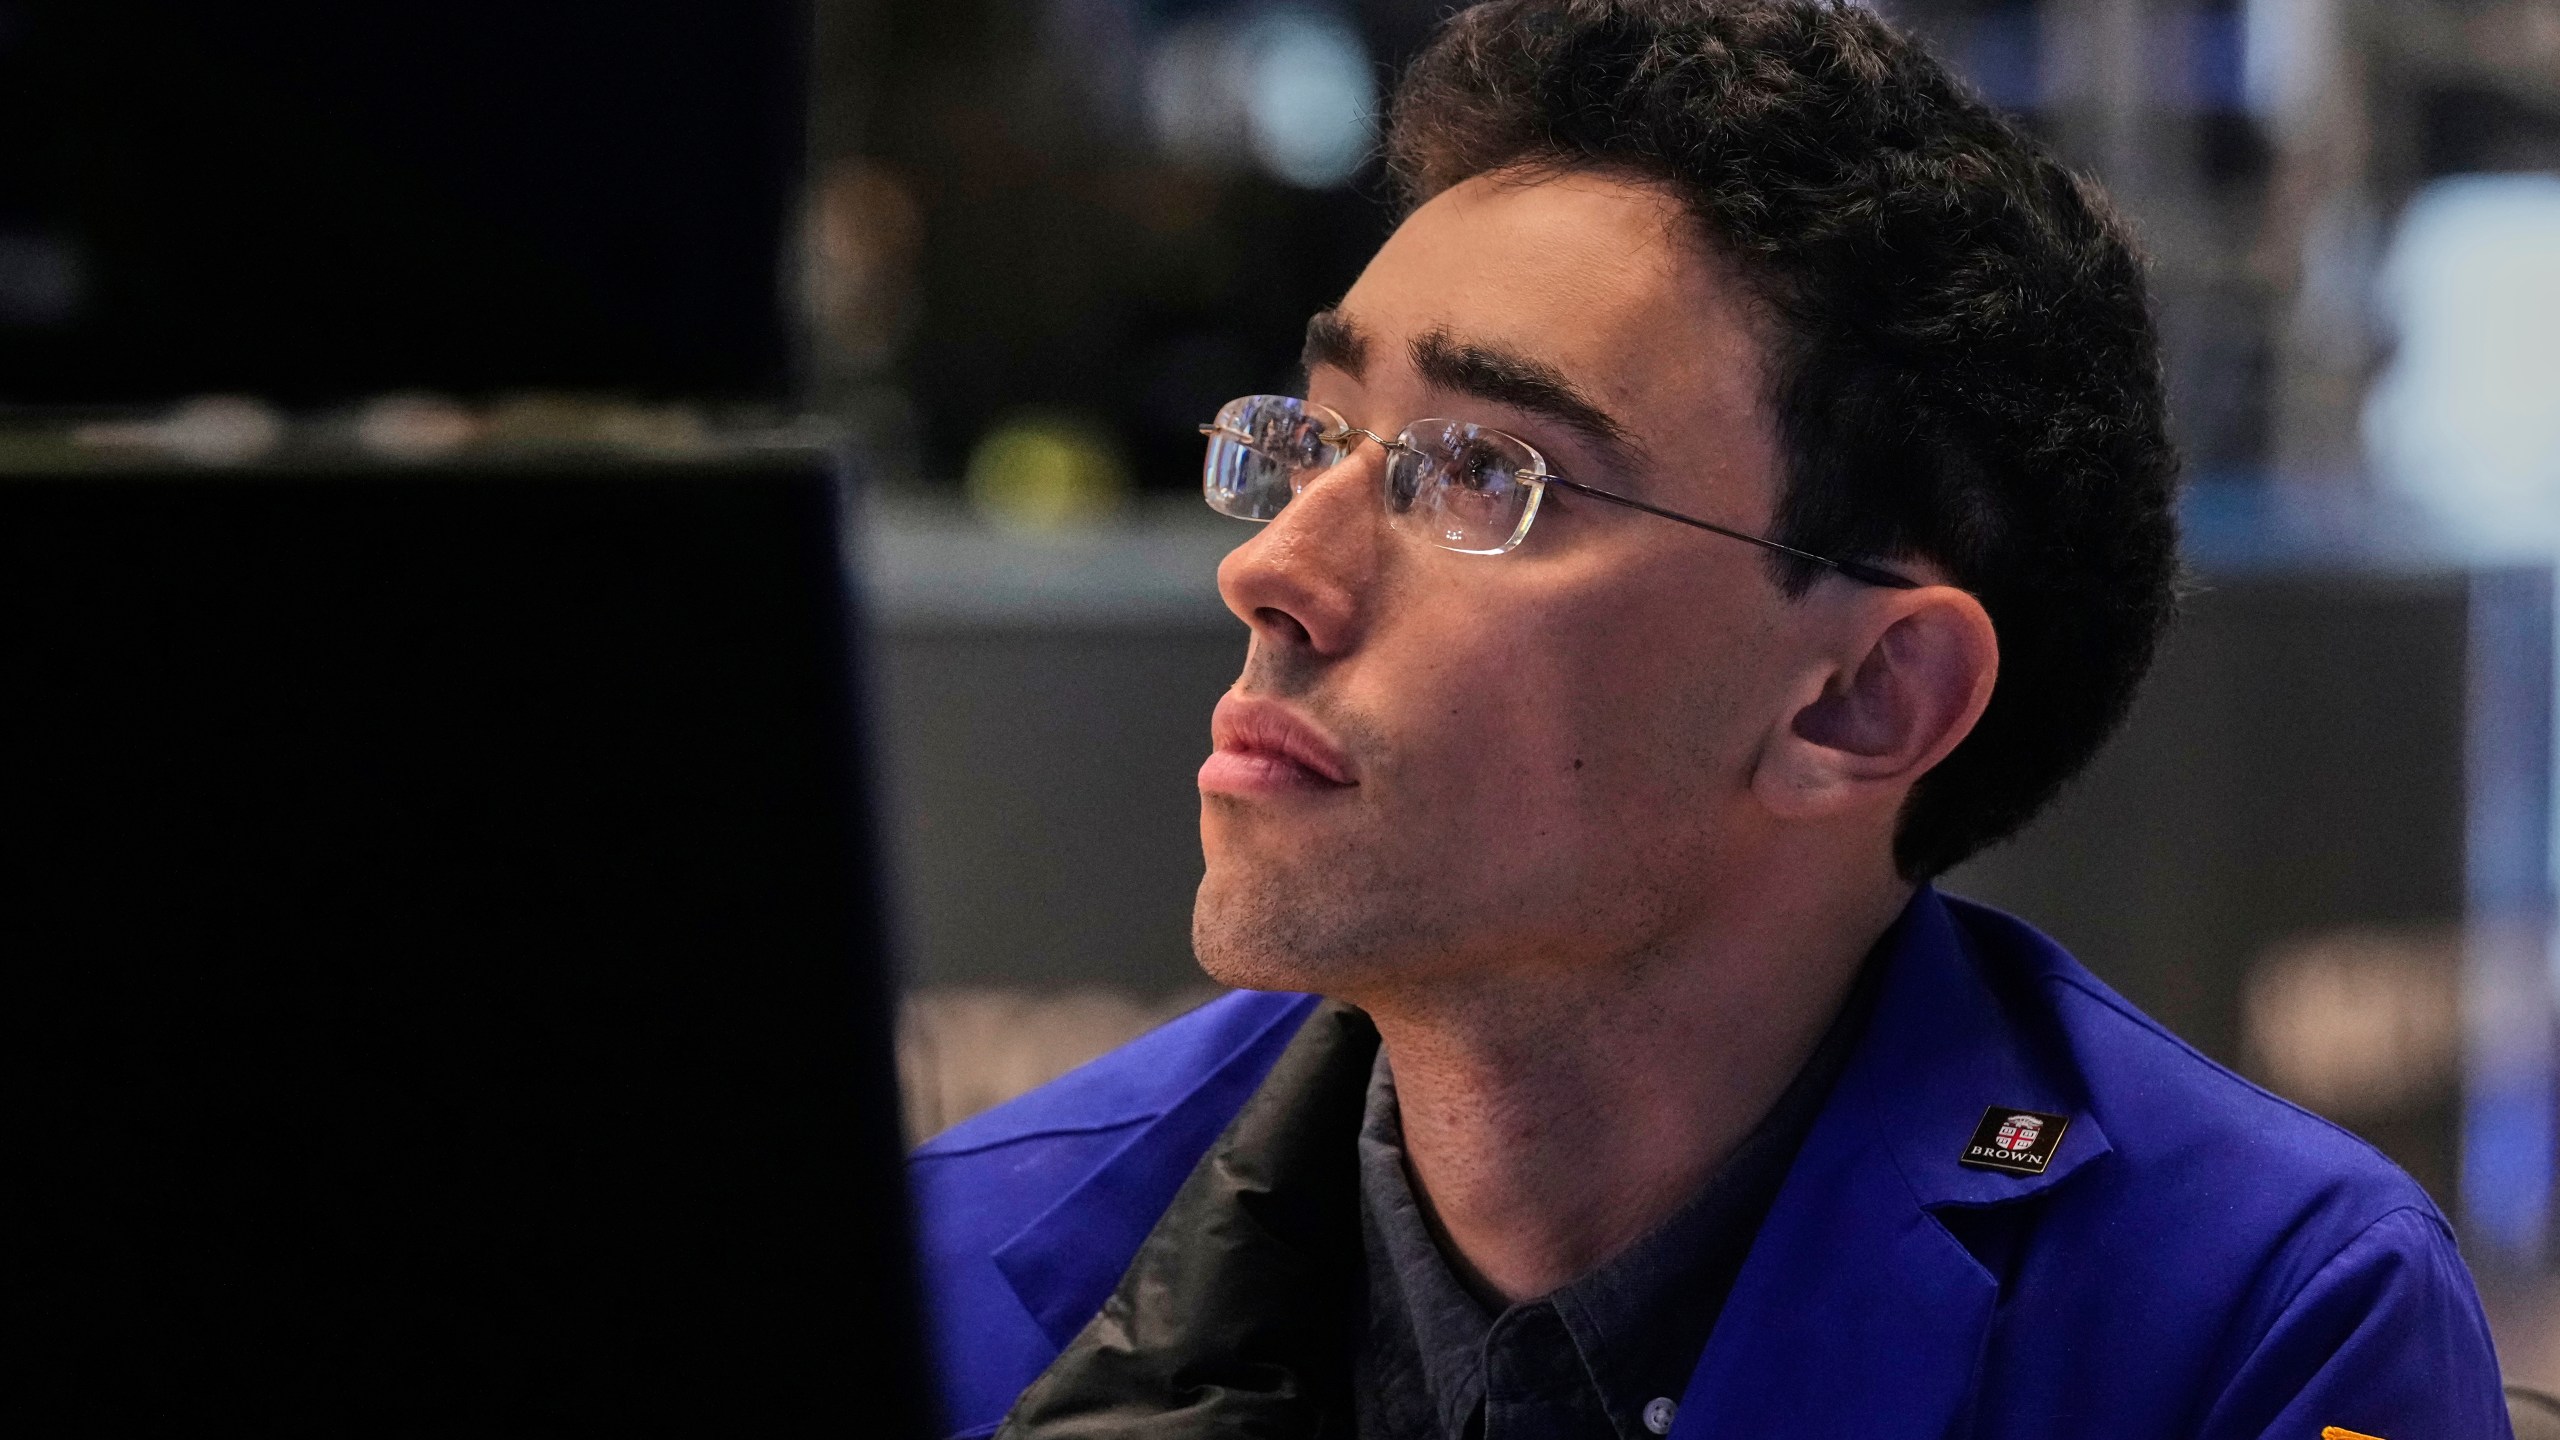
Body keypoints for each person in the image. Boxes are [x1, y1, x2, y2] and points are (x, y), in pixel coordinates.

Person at [910, 0, 2513, 1434]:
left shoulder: (2257, 1328)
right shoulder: (966, 1262)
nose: (1272, 567)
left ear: (1866, 699)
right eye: (1313, 439)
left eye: (1479, 473)